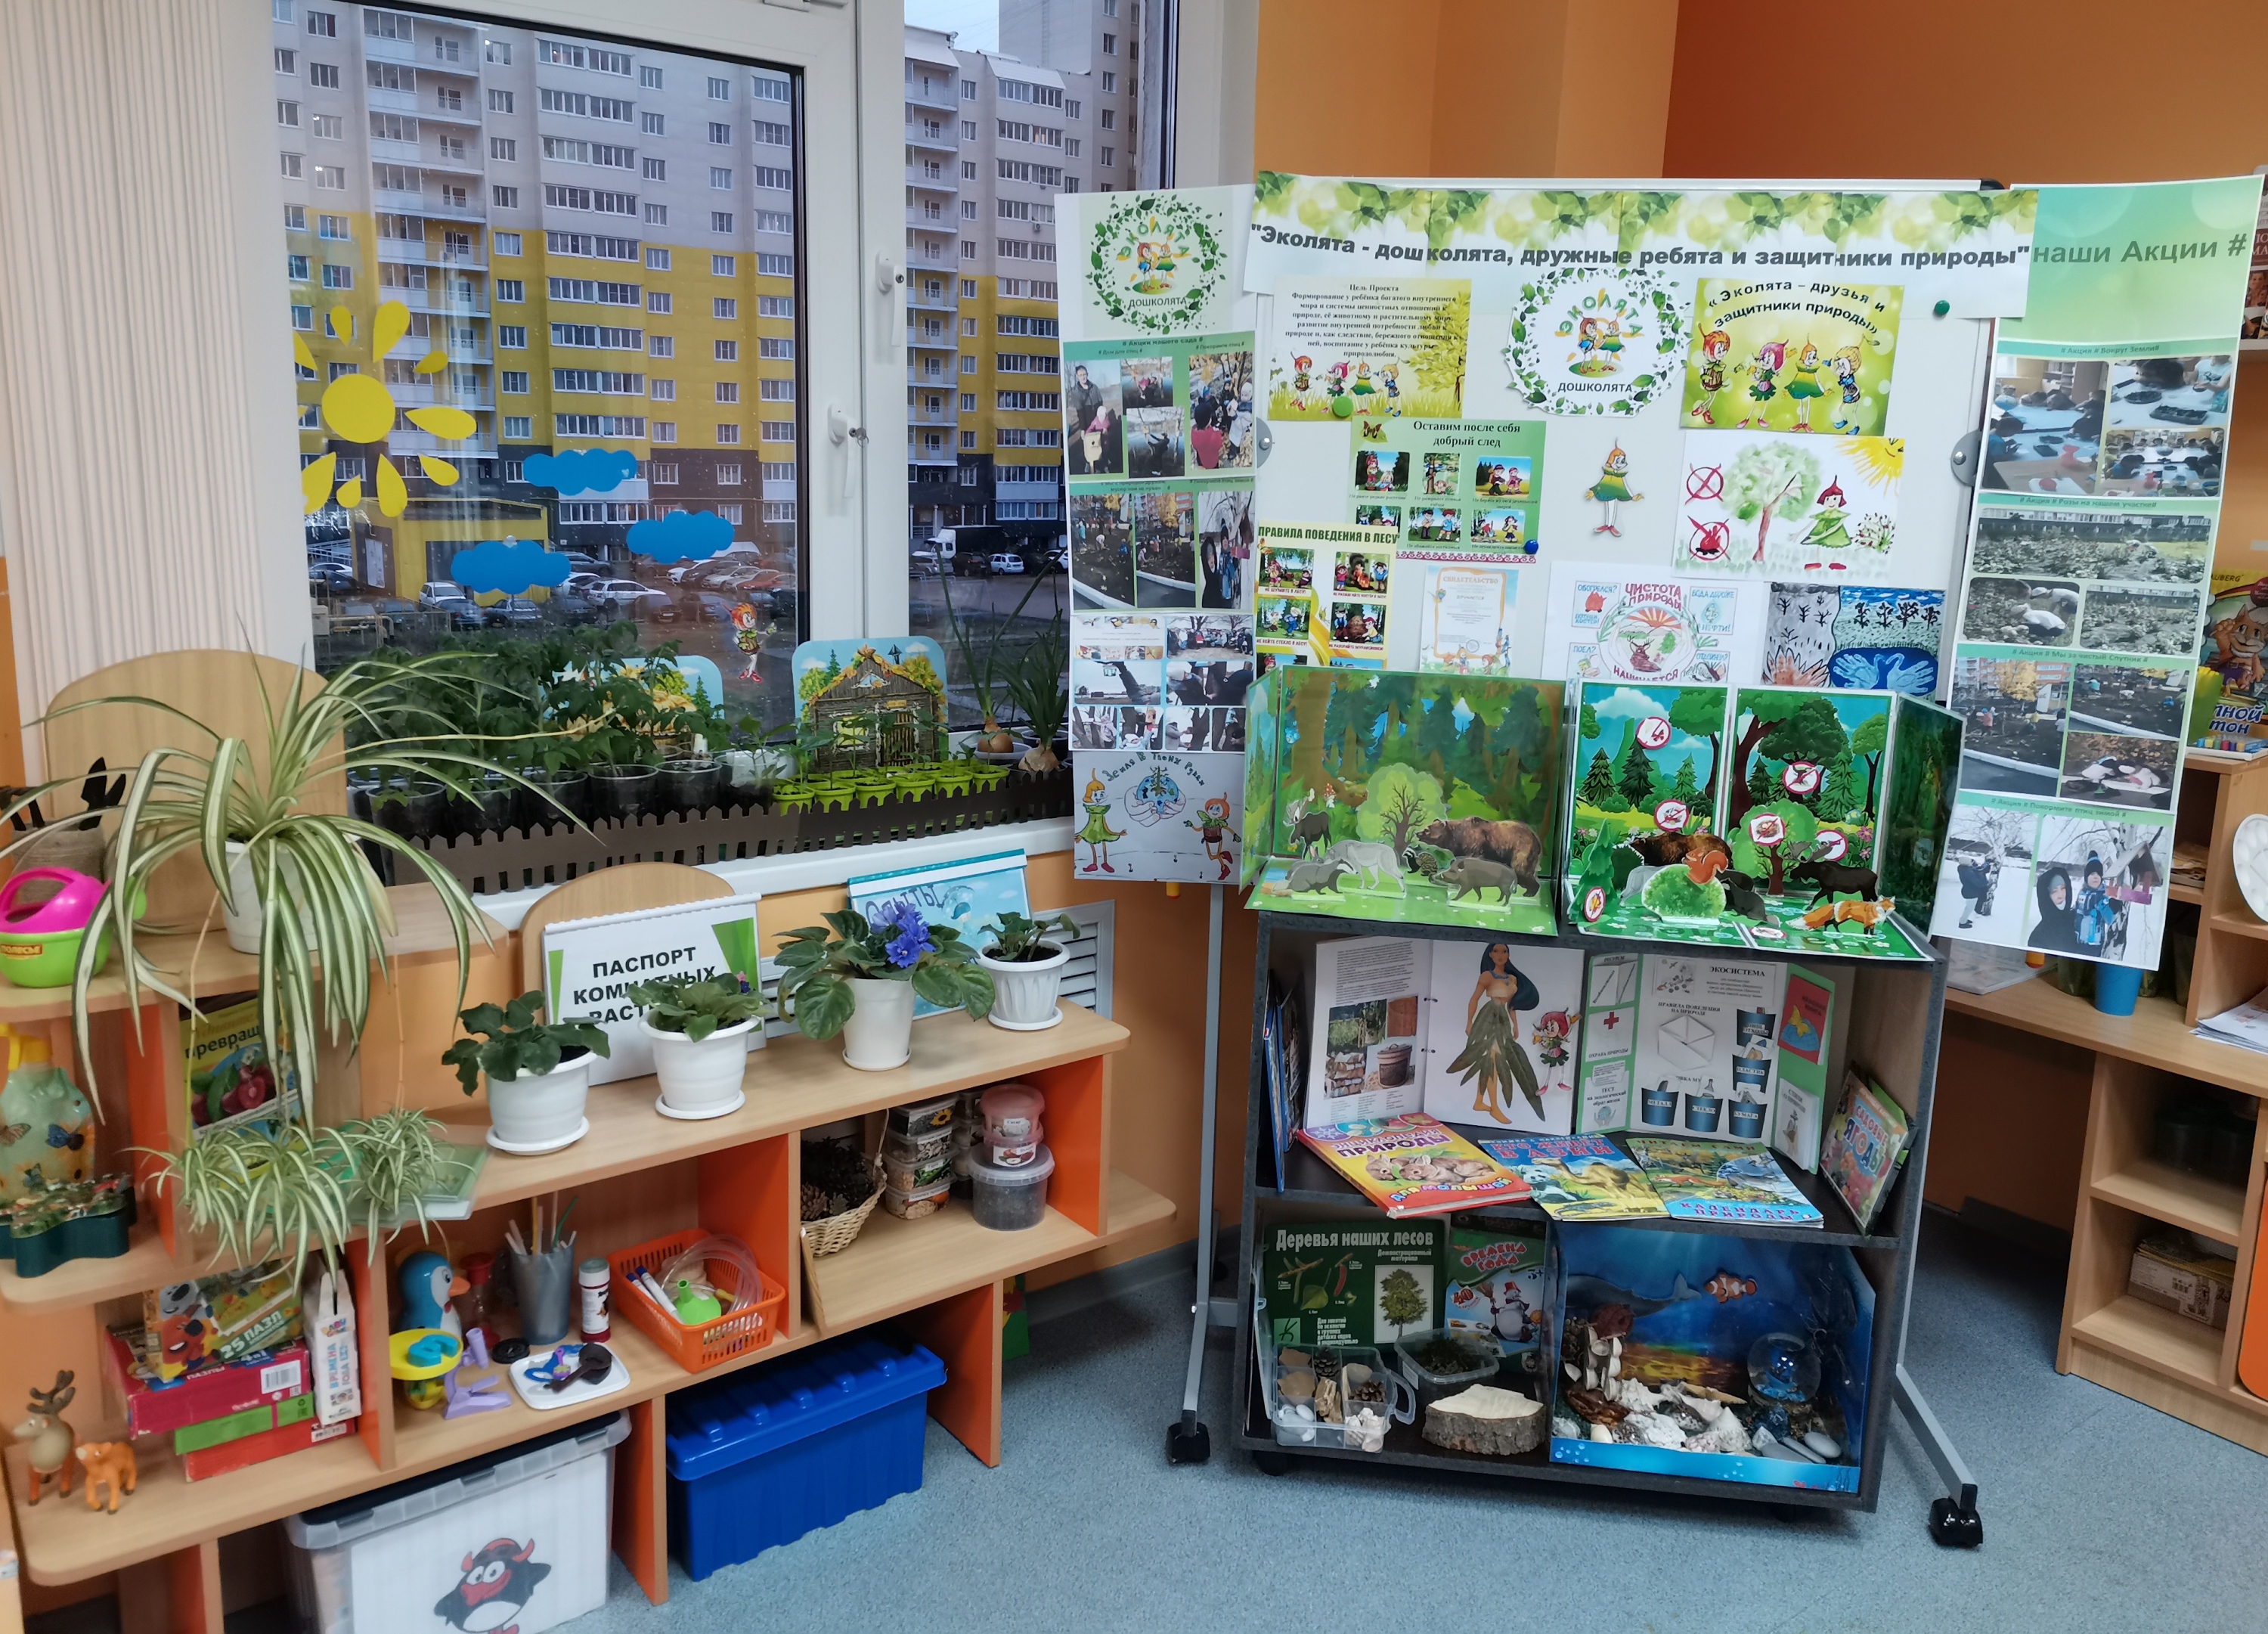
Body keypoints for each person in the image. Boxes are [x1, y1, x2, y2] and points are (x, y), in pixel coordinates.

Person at [1454, 944, 1543, 1124]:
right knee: (1493, 1062)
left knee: (1491, 1061)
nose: (1500, 955)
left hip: (1503, 1022)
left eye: (1504, 951)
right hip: (1488, 1019)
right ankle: (1493, 1107)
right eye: (1496, 951)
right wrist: (1470, 1022)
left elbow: (1511, 1006)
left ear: (1508, 955)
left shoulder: (1512, 979)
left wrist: (1515, 1024)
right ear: (1490, 955)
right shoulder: (1487, 976)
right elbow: (1474, 999)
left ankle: (1479, 1101)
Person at [2028, 867, 2085, 953]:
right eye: (2054, 891)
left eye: (2063, 888)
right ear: (2045, 896)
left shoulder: (2078, 921)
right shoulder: (2037, 938)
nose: (2060, 895)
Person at [1065, 365, 1105, 475]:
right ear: (1077, 376)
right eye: (1081, 375)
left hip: (1098, 420)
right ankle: (1089, 465)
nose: (1083, 377)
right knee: (1088, 446)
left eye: (1085, 374)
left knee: (1099, 444)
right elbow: (1080, 412)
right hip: (1087, 422)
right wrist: (1083, 429)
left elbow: (1100, 404)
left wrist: (1102, 419)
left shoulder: (1094, 388)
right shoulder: (1076, 392)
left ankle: (1100, 466)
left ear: (1087, 374)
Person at [1956, 854, 1997, 929]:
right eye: (1970, 862)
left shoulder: (1965, 869)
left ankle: (1964, 920)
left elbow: (1978, 869)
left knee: (1969, 908)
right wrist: (1982, 874)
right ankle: (1962, 923)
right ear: (1967, 863)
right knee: (1969, 909)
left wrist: (1987, 864)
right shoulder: (1968, 872)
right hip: (1971, 893)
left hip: (1969, 891)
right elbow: (1980, 883)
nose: (1972, 863)